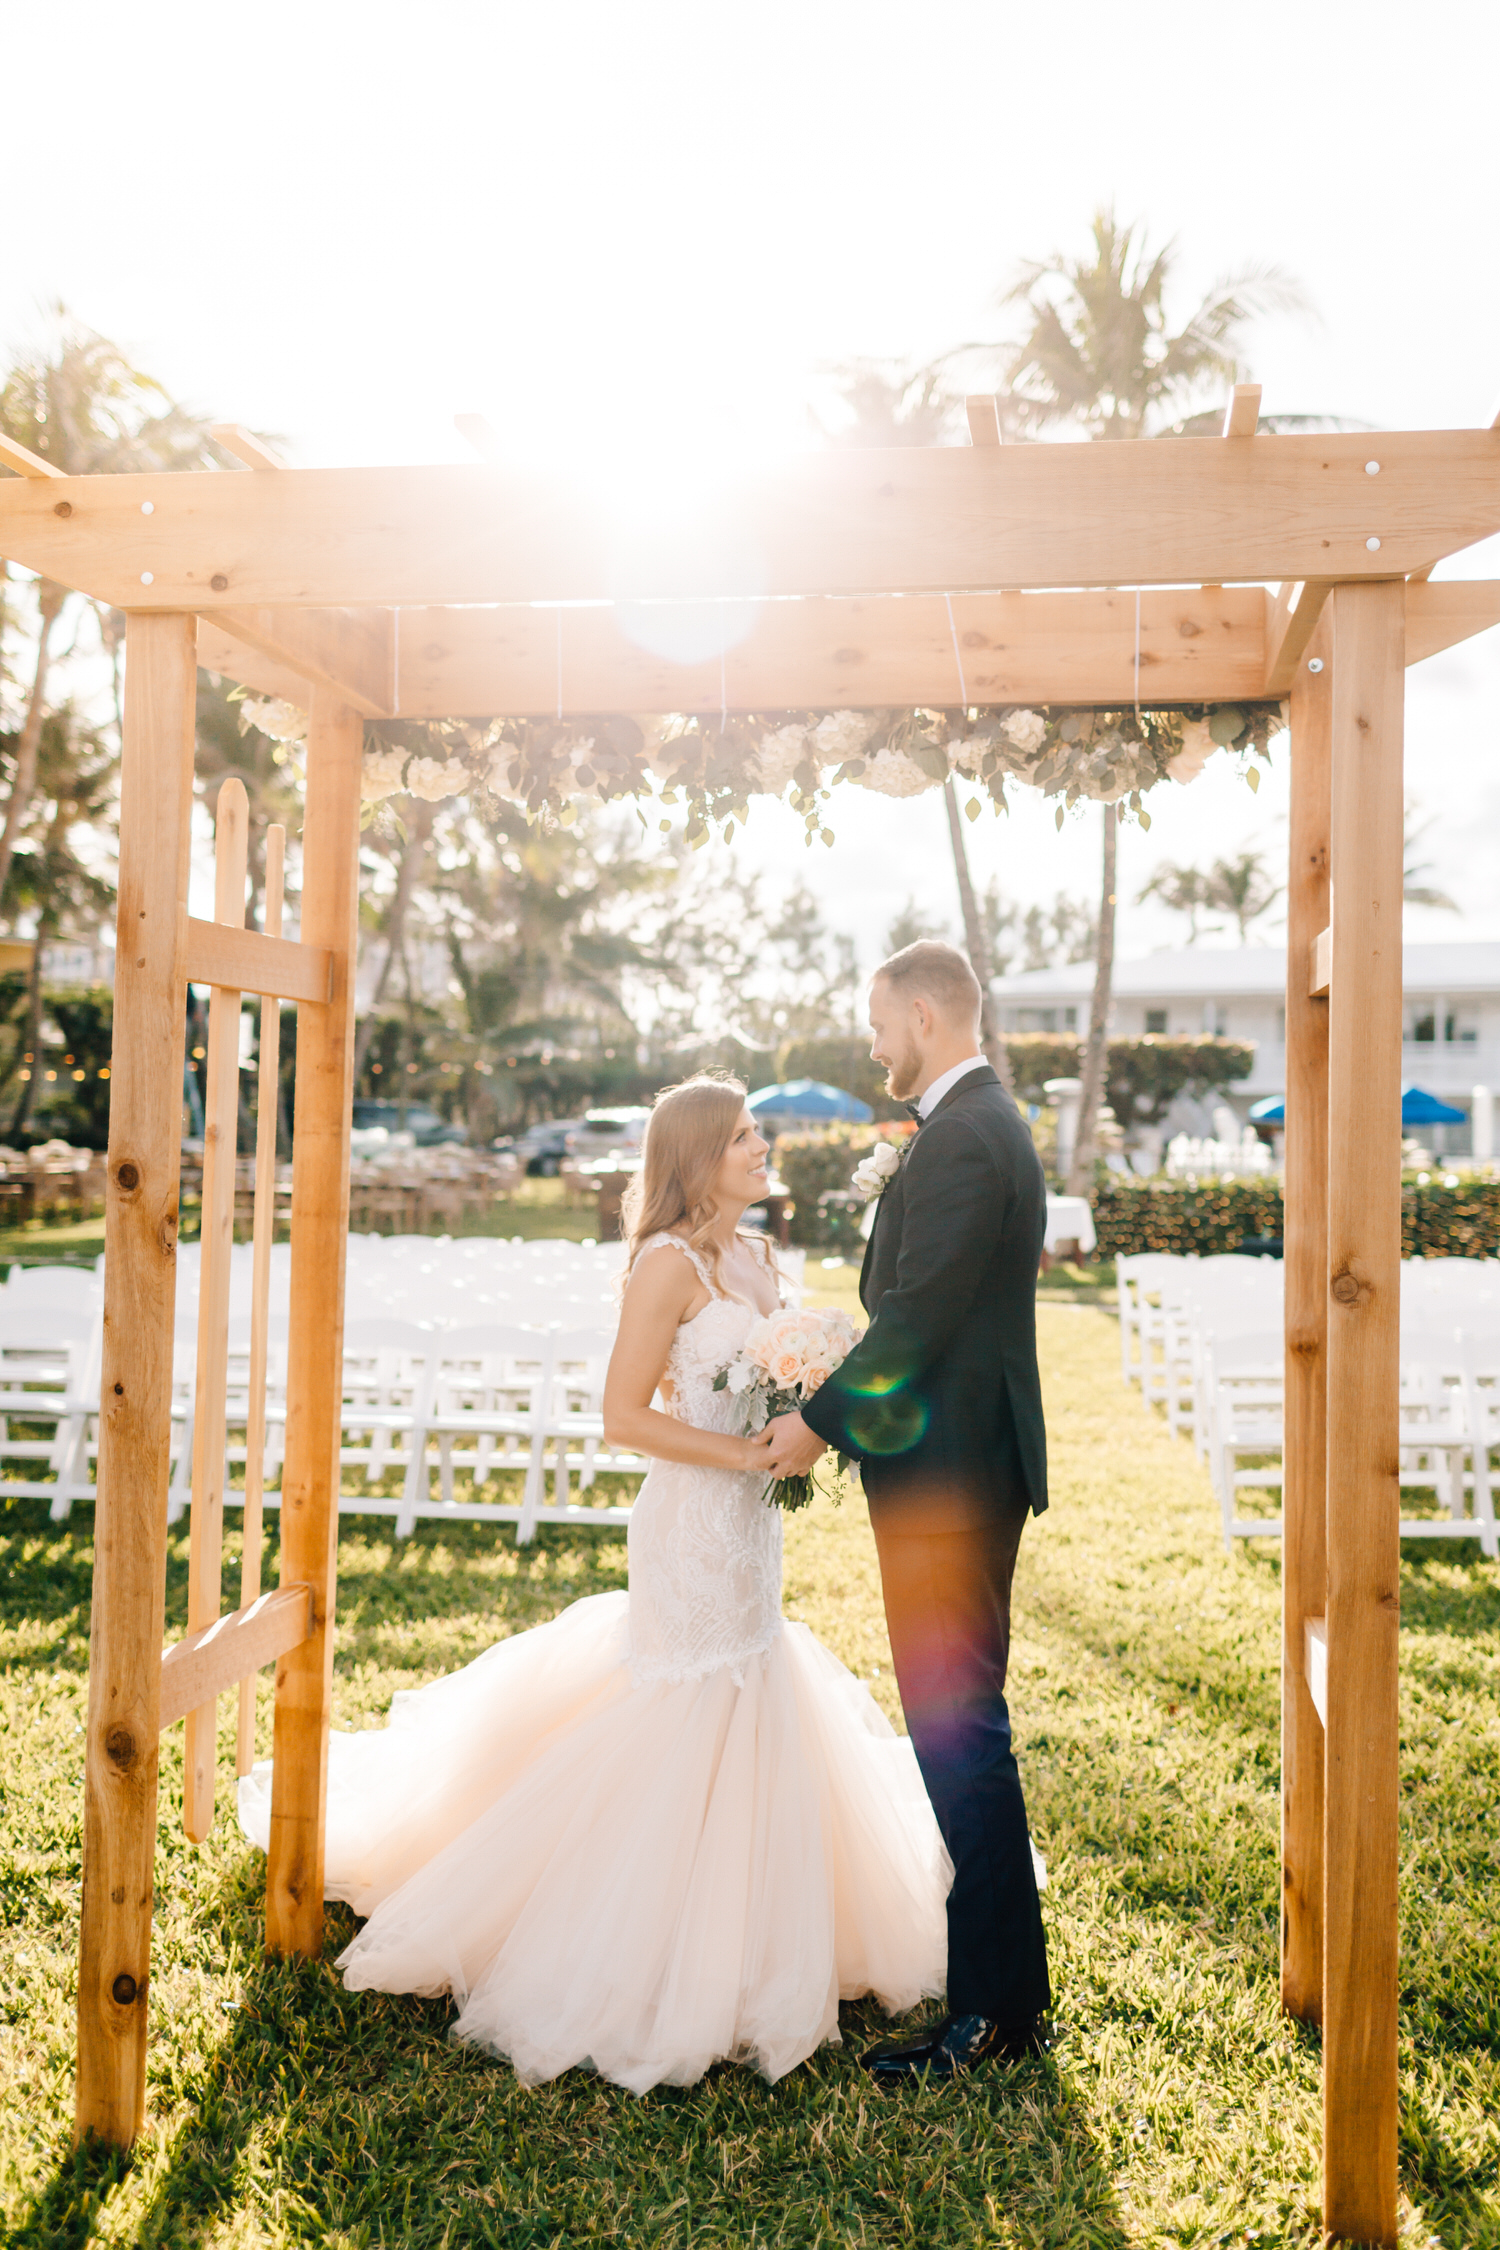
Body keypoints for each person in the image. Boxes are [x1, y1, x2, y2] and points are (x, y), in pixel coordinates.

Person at [238, 1073, 951, 2095]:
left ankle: (749, 1927)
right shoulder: (667, 1267)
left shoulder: (756, 1254)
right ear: (701, 1157)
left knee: (752, 1675)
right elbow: (622, 1416)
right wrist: (742, 1459)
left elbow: (777, 1376)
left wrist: (804, 1415)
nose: (762, 1146)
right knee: (683, 1695)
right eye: (745, 1135)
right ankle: (642, 1941)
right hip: (693, 1520)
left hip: (752, 1530)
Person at [766, 940, 1053, 2081]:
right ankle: (1007, 1990)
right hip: (961, 1469)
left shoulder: (967, 1138)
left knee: (958, 1730)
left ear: (926, 1016)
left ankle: (991, 2014)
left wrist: (816, 1421)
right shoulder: (974, 1126)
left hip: (951, 1481)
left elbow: (920, 1317)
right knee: (960, 1723)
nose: (873, 1045)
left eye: (880, 1023)